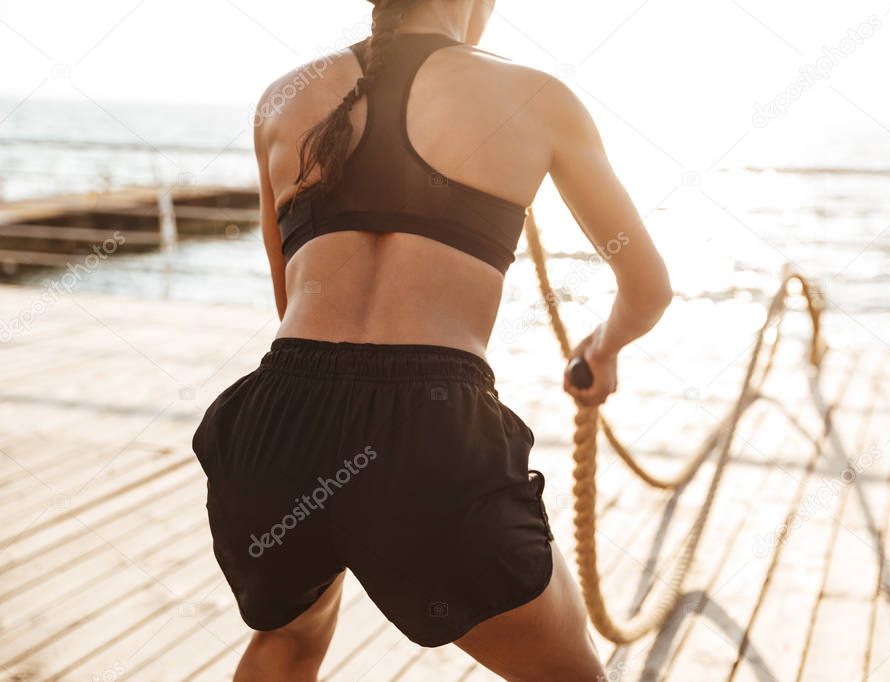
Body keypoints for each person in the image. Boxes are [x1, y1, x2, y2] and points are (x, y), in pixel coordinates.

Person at [192, 0, 672, 679]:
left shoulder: (281, 99)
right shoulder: (534, 95)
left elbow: (288, 298)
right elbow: (646, 287)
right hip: (430, 429)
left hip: (278, 419)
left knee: (289, 642)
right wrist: (602, 350)